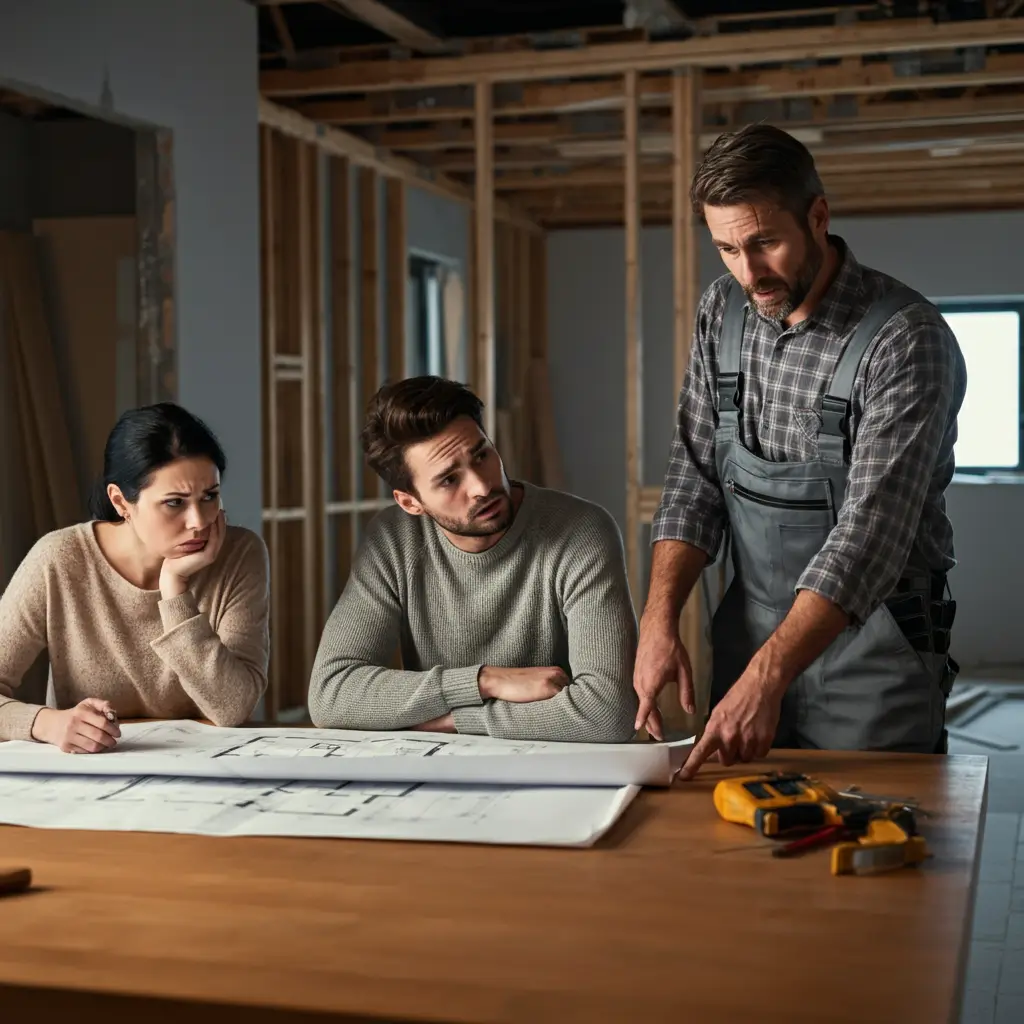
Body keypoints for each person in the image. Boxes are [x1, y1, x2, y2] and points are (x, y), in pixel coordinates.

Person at [633, 124, 966, 778]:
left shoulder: (905, 339)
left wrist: (770, 675)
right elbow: (693, 480)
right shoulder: (720, 313)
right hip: (748, 637)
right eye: (727, 248)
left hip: (876, 656)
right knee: (743, 852)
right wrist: (659, 618)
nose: (748, 272)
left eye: (765, 243)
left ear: (818, 217)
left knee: (874, 848)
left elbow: (870, 535)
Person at [309, 375, 638, 743]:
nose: (482, 486)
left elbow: (609, 713)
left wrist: (450, 721)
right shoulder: (393, 540)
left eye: (481, 455)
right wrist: (485, 680)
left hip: (557, 771)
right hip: (440, 775)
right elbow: (331, 693)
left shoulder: (581, 532)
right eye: (449, 480)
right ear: (410, 502)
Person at [0, 403, 270, 751]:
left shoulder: (240, 554)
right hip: (91, 781)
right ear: (121, 502)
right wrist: (46, 723)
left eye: (210, 497)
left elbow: (233, 707)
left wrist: (174, 593)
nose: (199, 521)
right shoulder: (59, 559)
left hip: (205, 774)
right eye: (175, 503)